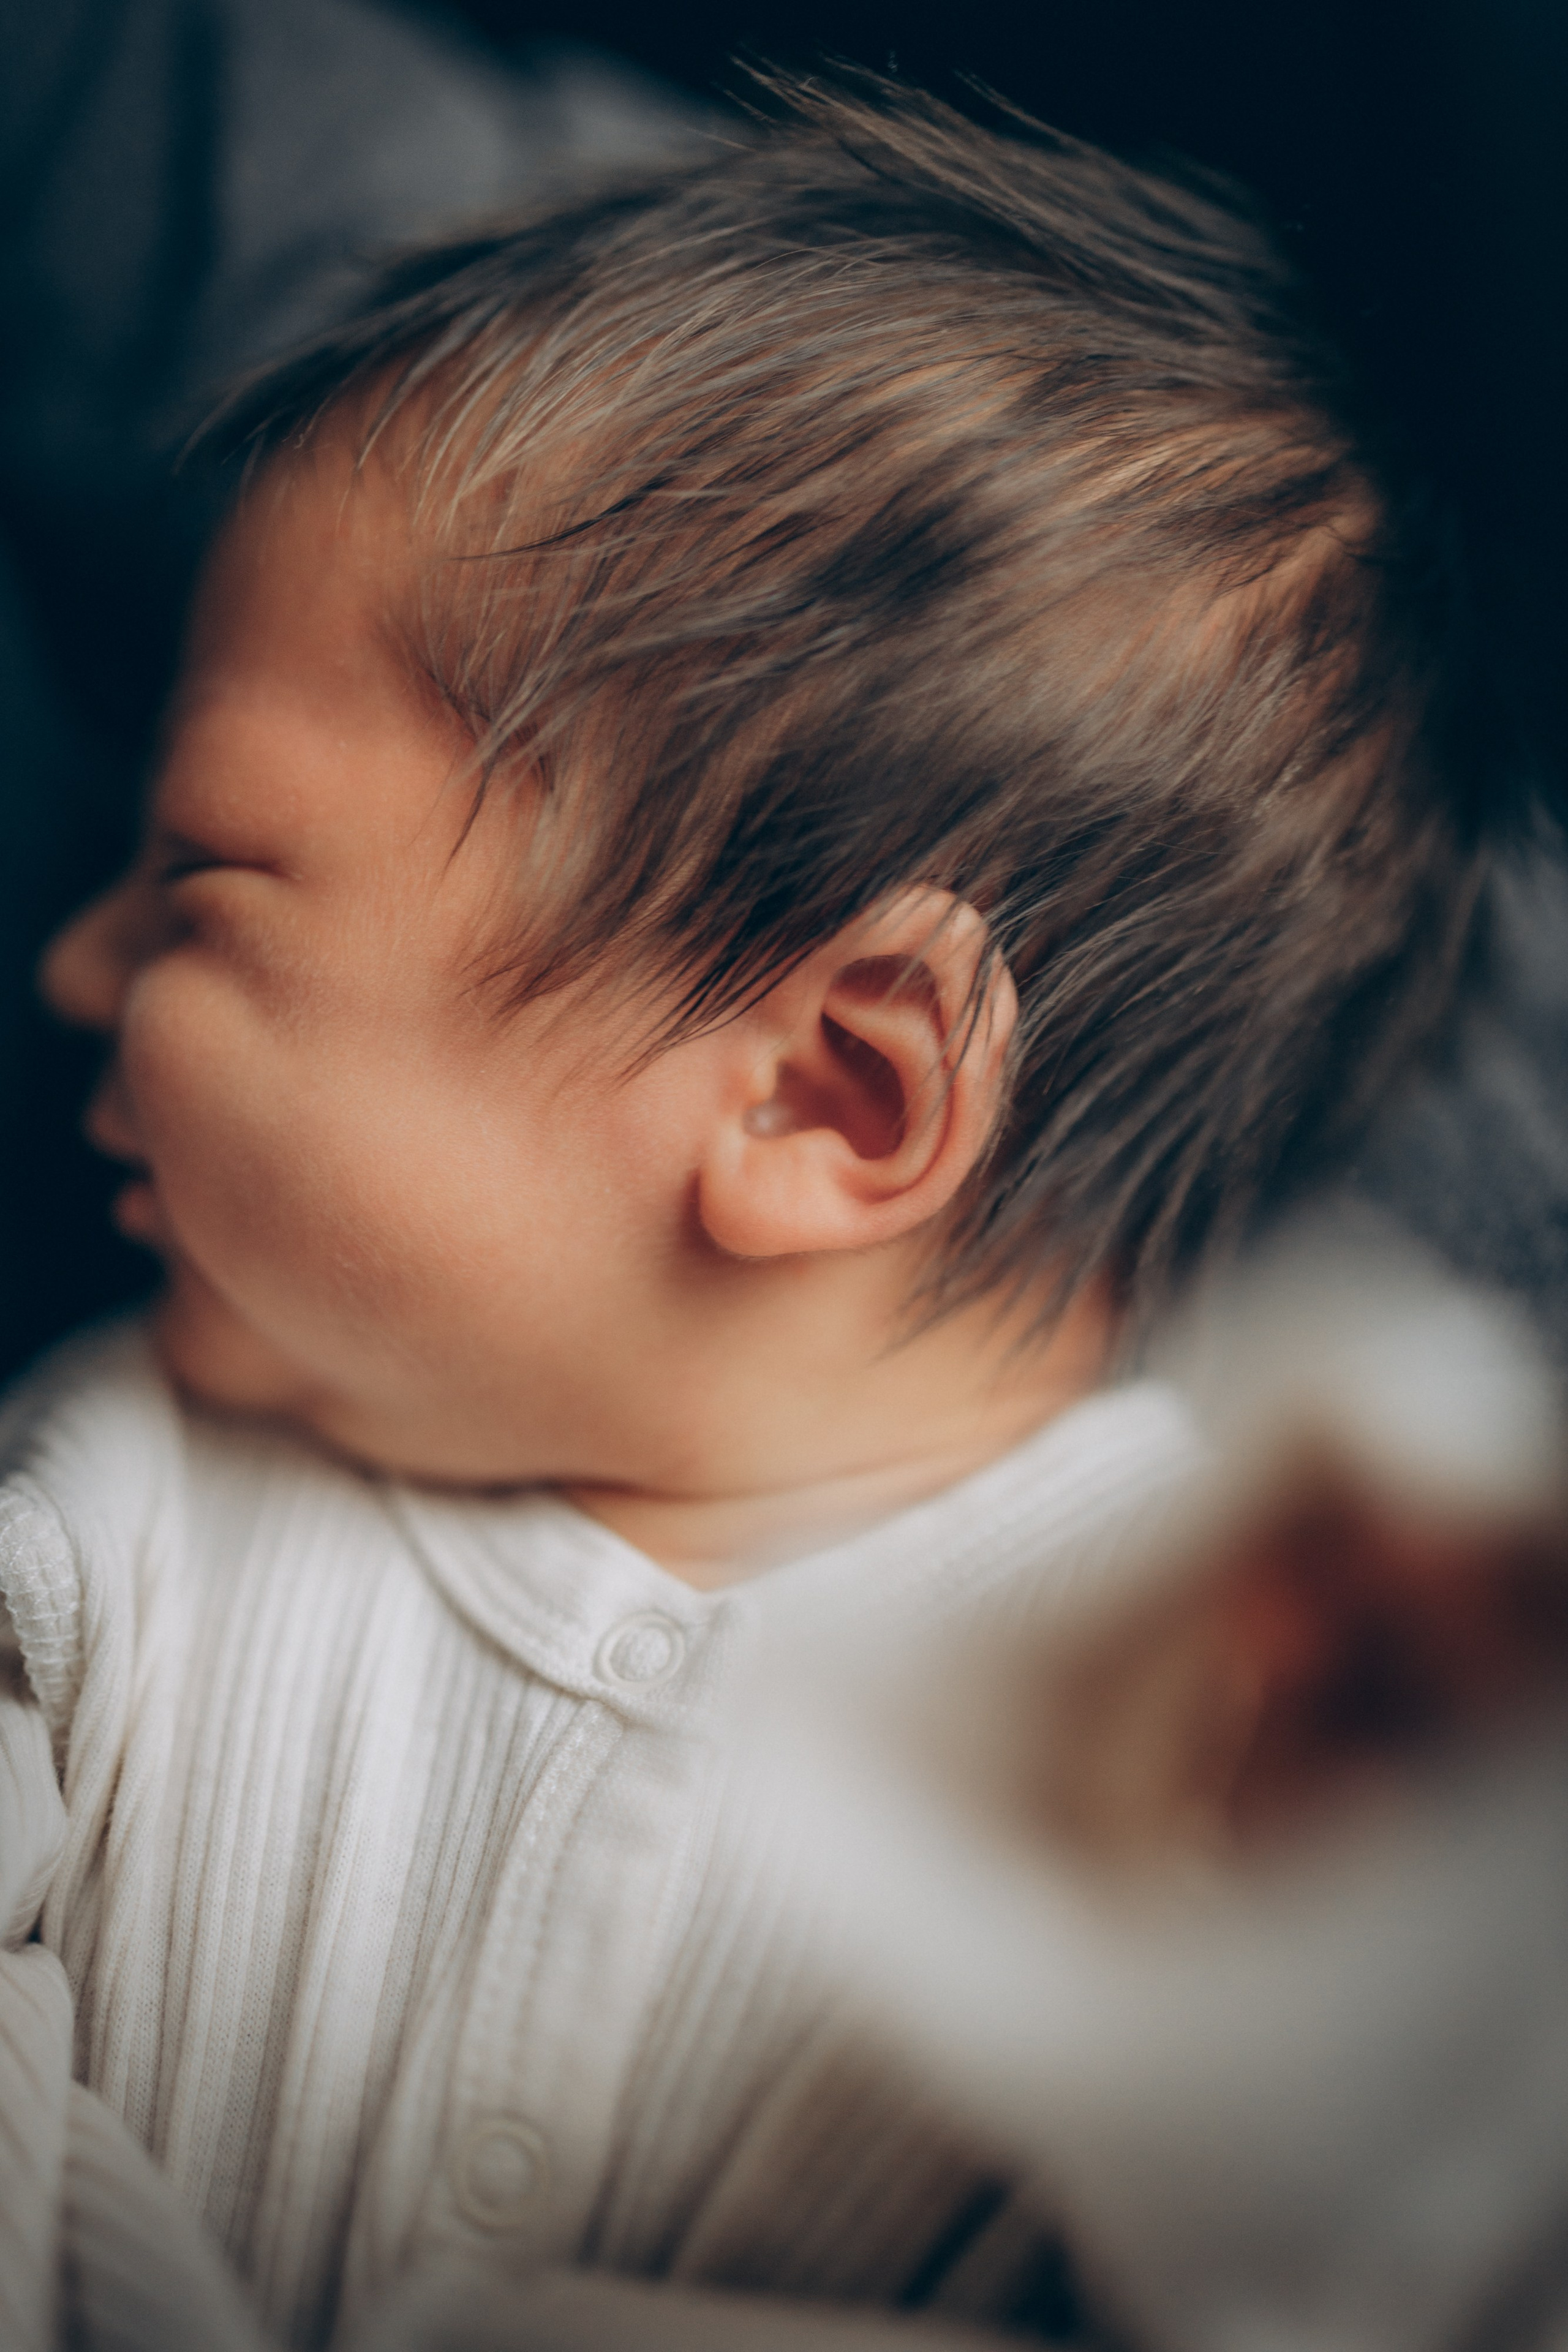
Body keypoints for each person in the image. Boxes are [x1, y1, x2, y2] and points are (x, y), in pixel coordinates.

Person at [0, 68, 1512, 2352]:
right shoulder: (104, 1524)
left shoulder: (1251, 1691)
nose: (70, 968)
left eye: (198, 881)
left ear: (832, 1088)